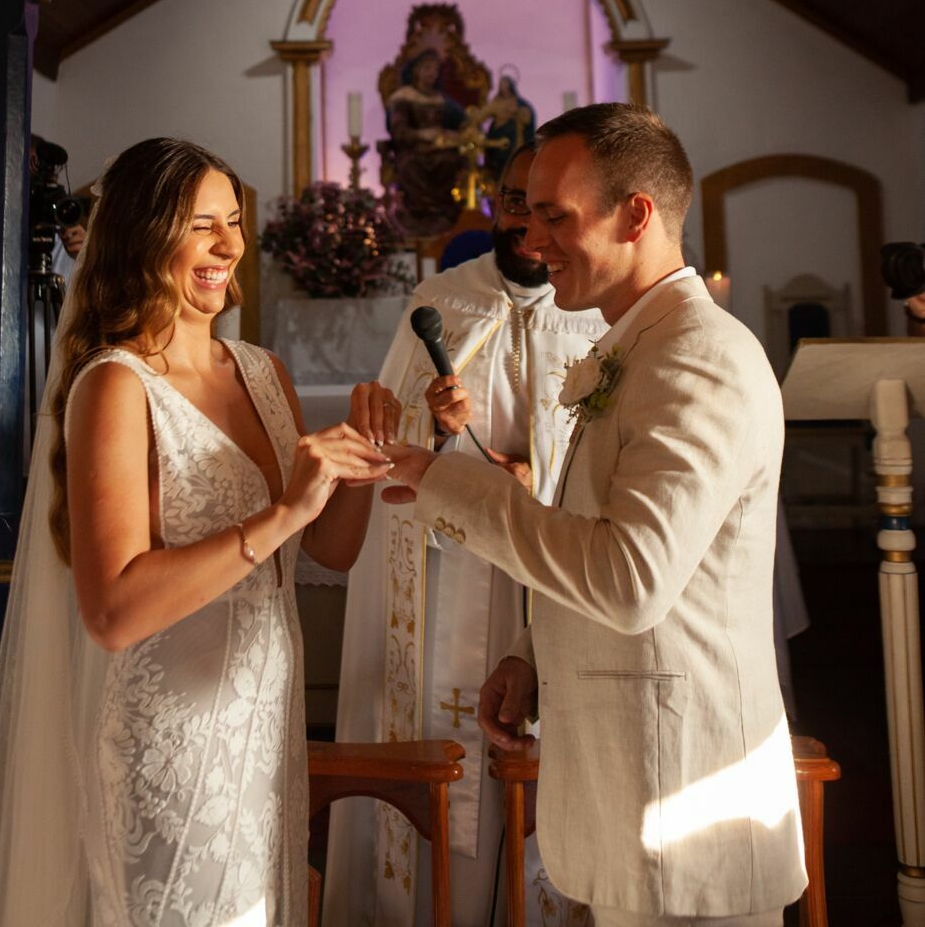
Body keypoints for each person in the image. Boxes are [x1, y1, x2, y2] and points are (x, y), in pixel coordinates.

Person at [382, 105, 807, 927]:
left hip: (685, 805)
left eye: (554, 216)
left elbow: (629, 579)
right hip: (635, 795)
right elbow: (613, 533)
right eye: (527, 212)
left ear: (635, 214)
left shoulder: (696, 361)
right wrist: (532, 651)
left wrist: (450, 482)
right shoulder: (634, 346)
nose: (529, 240)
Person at [0, 137, 399, 927]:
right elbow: (114, 612)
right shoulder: (115, 388)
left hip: (264, 729)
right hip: (167, 743)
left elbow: (329, 551)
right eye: (202, 226)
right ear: (143, 236)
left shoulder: (262, 371)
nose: (230, 245)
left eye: (232, 222)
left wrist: (359, 466)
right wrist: (282, 513)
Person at [323, 145, 605, 927]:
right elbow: (393, 445)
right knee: (453, 739)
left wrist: (529, 475)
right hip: (455, 572)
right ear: (493, 205)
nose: (525, 221)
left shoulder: (598, 310)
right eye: (512, 201)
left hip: (554, 569)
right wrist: (444, 436)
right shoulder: (442, 303)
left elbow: (610, 453)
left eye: (542, 206)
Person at [386, 49, 467, 235]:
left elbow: (464, 120)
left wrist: (456, 133)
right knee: (411, 165)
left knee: (449, 161)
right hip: (412, 149)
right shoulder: (403, 97)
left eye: (436, 69)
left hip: (440, 149)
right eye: (428, 68)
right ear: (417, 70)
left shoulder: (441, 100)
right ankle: (418, 214)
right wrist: (423, 134)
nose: (432, 73)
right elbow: (399, 131)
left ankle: (442, 213)